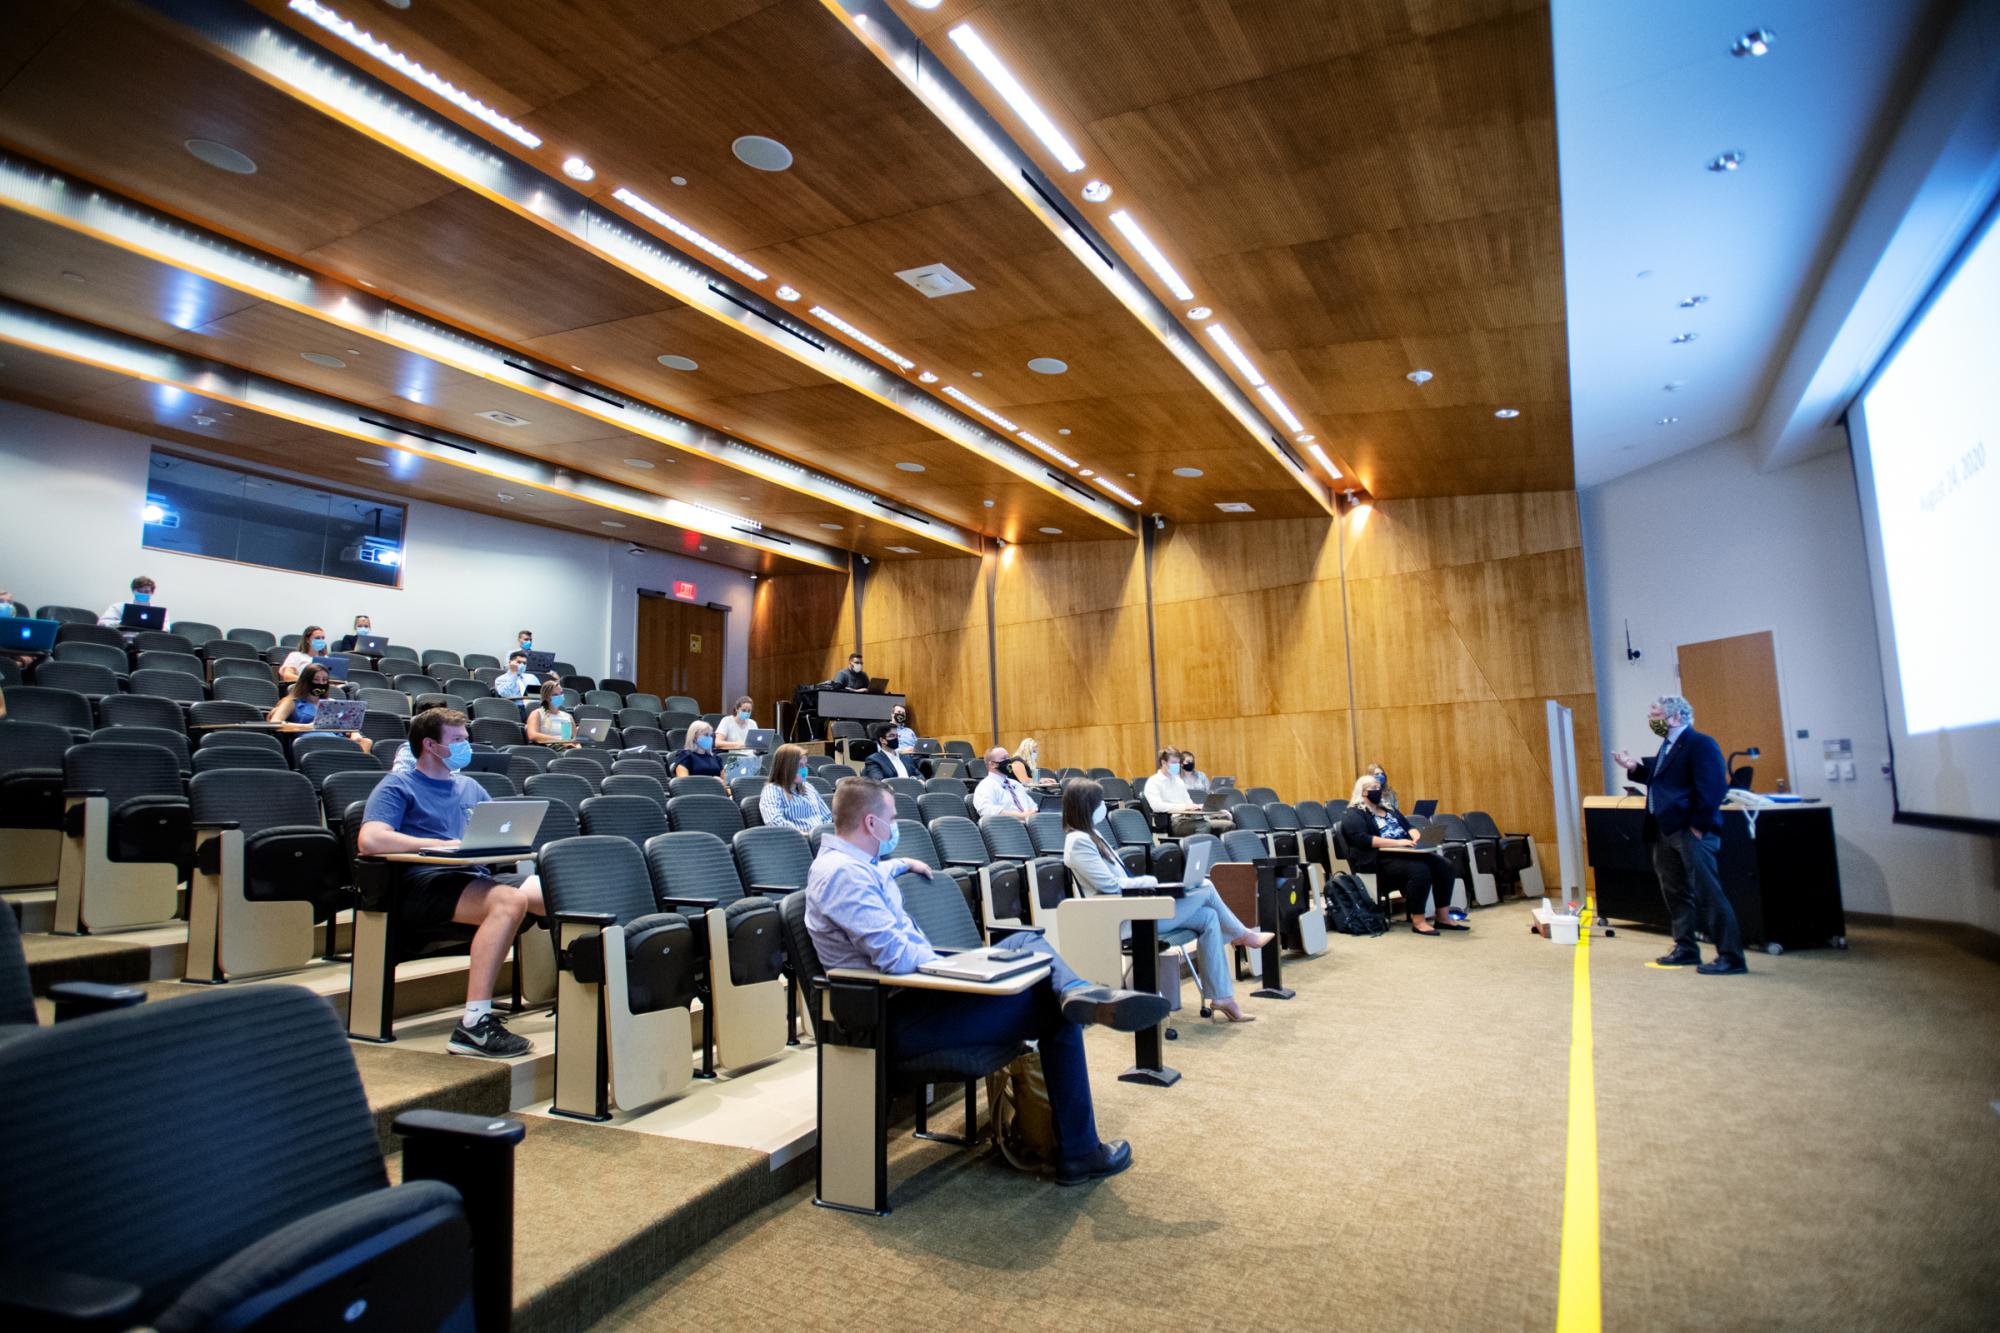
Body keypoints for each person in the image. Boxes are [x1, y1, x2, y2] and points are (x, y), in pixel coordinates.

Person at [805, 777, 1169, 1185]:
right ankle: (1081, 1150)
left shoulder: (855, 865)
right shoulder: (843, 876)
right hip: (894, 1019)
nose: (896, 828)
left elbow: (876, 879)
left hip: (916, 1002)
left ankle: (1077, 991)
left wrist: (903, 864)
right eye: (892, 819)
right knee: (1051, 1008)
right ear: (871, 824)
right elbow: (897, 958)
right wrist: (961, 964)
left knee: (1025, 939)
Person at [358, 708, 545, 1057]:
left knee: (553, 891)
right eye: (457, 740)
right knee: (509, 901)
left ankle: (577, 997)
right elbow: (370, 839)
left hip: (469, 879)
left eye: (465, 739)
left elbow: (494, 833)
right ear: (430, 745)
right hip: (422, 885)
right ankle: (474, 1025)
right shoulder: (398, 785)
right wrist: (438, 844)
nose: (465, 746)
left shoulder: (469, 787)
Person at [1060, 779, 1271, 1023]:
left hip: (1134, 906)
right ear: (1087, 807)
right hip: (1123, 919)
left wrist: (1155, 886)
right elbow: (1109, 886)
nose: (1104, 806)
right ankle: (1242, 935)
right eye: (1099, 802)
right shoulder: (1078, 842)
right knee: (1205, 887)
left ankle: (1223, 997)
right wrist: (1149, 882)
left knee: (1209, 917)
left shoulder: (1093, 835)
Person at [1611, 695, 1744, 975]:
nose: (1652, 720)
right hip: (1664, 829)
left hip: (1689, 830)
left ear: (1677, 717)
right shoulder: (1668, 747)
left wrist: (1697, 826)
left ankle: (1731, 956)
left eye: (1656, 714)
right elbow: (1664, 782)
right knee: (1675, 891)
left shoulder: (1700, 743)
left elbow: (1713, 788)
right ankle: (1685, 947)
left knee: (1708, 892)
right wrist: (1635, 769)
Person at [1339, 778, 1465, 935]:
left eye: (1379, 787)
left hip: (1406, 853)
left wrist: (1416, 837)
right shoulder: (1354, 814)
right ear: (1362, 791)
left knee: (1445, 865)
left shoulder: (1389, 809)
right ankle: (1418, 921)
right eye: (1373, 787)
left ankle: (1443, 917)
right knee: (1419, 870)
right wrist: (1397, 843)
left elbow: (1409, 827)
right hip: (1379, 859)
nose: (1378, 790)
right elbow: (1363, 840)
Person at [268, 665, 372, 753]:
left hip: (337, 740)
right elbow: (275, 724)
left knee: (366, 742)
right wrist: (307, 727)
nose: (321, 683)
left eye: (324, 680)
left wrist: (354, 733)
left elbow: (349, 725)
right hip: (312, 740)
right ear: (306, 681)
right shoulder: (291, 702)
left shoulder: (331, 702)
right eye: (316, 679)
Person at [1144, 748, 1231, 836]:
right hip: (1174, 822)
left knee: (1228, 824)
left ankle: (1215, 848)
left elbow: (1188, 802)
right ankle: (1198, 849)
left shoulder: (1178, 781)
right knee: (1203, 825)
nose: (1177, 766)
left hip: (1189, 817)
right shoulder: (1154, 782)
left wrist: (1198, 807)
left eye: (1178, 763)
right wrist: (1184, 807)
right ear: (1163, 763)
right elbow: (1157, 806)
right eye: (1174, 763)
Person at [759, 743, 831, 832]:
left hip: (820, 838)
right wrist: (804, 835)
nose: (804, 770)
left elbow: (827, 816)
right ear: (786, 768)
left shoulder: (809, 787)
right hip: (797, 841)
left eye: (805, 765)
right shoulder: (772, 790)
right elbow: (774, 821)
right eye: (800, 766)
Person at [972, 746, 1037, 820]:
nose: (1008, 761)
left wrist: (1031, 813)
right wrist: (1020, 816)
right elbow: (986, 810)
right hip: (1006, 826)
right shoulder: (985, 786)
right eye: (1003, 758)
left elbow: (1033, 805)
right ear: (992, 764)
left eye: (1008, 757)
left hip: (1030, 824)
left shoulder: (1016, 784)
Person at [525, 679, 579, 749]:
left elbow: (572, 738)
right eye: (555, 695)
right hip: (548, 749)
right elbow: (532, 735)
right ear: (546, 697)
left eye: (561, 693)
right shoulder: (537, 714)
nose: (560, 696)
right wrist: (559, 740)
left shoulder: (567, 716)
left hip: (567, 749)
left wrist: (578, 747)